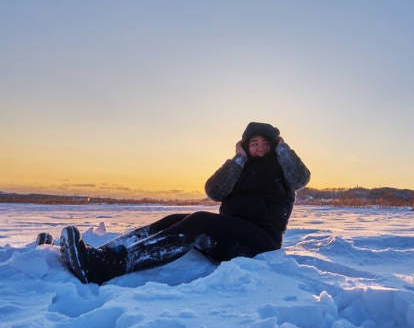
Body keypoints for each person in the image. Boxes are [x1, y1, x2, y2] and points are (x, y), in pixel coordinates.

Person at [57, 121, 310, 284]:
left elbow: (301, 178)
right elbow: (214, 191)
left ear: (275, 146)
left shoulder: (283, 169)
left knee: (199, 220)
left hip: (261, 242)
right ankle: (102, 254)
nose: (260, 149)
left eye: (266, 144)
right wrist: (238, 160)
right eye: (254, 144)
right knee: (175, 220)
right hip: (231, 233)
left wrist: (283, 149)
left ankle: (105, 269)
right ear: (245, 146)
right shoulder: (239, 168)